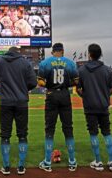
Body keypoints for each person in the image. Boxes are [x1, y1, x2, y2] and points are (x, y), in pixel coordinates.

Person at [0, 47, 37, 175]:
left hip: (6, 102)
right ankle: (21, 167)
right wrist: (24, 88)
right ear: (18, 52)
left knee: (5, 134)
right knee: (22, 134)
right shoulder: (25, 62)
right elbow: (33, 83)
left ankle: (6, 167)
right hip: (21, 102)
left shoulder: (0, 61)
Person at [77, 44, 112, 172]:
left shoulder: (82, 70)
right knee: (107, 132)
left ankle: (98, 161)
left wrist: (85, 96)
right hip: (103, 106)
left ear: (89, 54)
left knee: (93, 133)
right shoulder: (107, 70)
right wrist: (105, 96)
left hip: (89, 107)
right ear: (100, 54)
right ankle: (111, 161)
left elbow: (78, 89)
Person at [37, 43, 78, 172]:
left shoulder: (45, 63)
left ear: (53, 51)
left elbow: (40, 82)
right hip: (65, 94)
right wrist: (66, 83)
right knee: (68, 128)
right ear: (63, 51)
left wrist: (49, 84)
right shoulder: (70, 63)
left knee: (49, 129)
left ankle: (47, 162)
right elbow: (76, 81)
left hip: (51, 94)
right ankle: (72, 161)